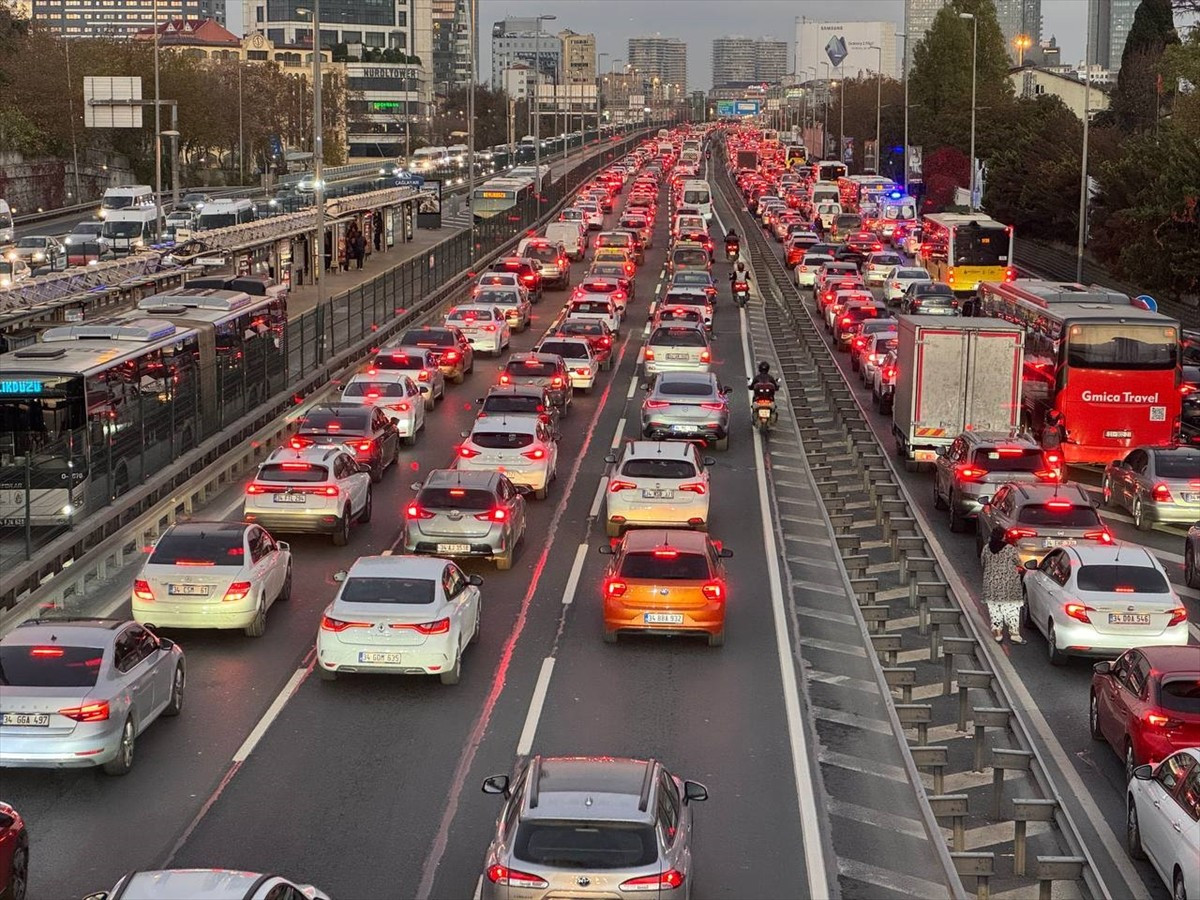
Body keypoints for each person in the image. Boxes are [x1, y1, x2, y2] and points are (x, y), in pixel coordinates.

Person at [980, 525, 1025, 644]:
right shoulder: (1010, 549)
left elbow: (982, 563)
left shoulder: (986, 548)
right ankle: (1014, 635)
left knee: (995, 610)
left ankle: (998, 634)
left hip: (991, 585)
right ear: (1004, 537)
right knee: (1012, 609)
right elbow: (1018, 562)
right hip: (1009, 585)